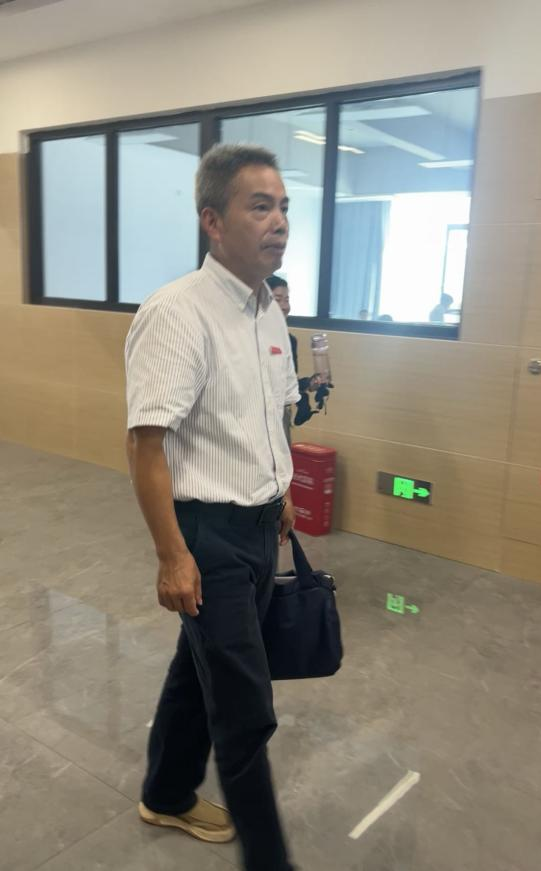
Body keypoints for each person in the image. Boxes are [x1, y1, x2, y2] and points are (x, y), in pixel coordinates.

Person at [125, 144, 299, 871]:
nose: (279, 221)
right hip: (208, 534)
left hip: (258, 526)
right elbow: (145, 444)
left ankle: (166, 792)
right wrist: (173, 555)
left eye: (283, 206)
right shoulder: (178, 312)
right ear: (212, 221)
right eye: (259, 206)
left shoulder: (268, 311)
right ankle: (270, 859)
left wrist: (281, 490)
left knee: (199, 670)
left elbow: (275, 412)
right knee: (244, 707)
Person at [267, 274, 326, 444]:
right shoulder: (251, 336)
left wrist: (309, 383)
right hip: (254, 416)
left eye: (287, 300)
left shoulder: (289, 340)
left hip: (280, 415)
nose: (284, 306)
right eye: (278, 299)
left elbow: (289, 383)